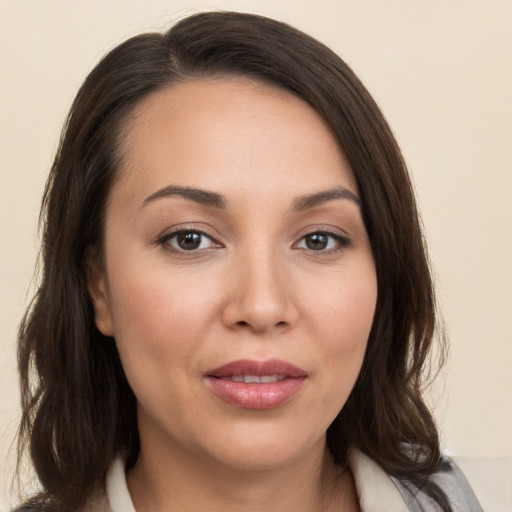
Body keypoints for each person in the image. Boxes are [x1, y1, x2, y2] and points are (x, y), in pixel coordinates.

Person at [14, 11, 483, 512]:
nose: (261, 306)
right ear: (98, 285)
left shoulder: (454, 499)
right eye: (190, 239)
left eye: (320, 239)